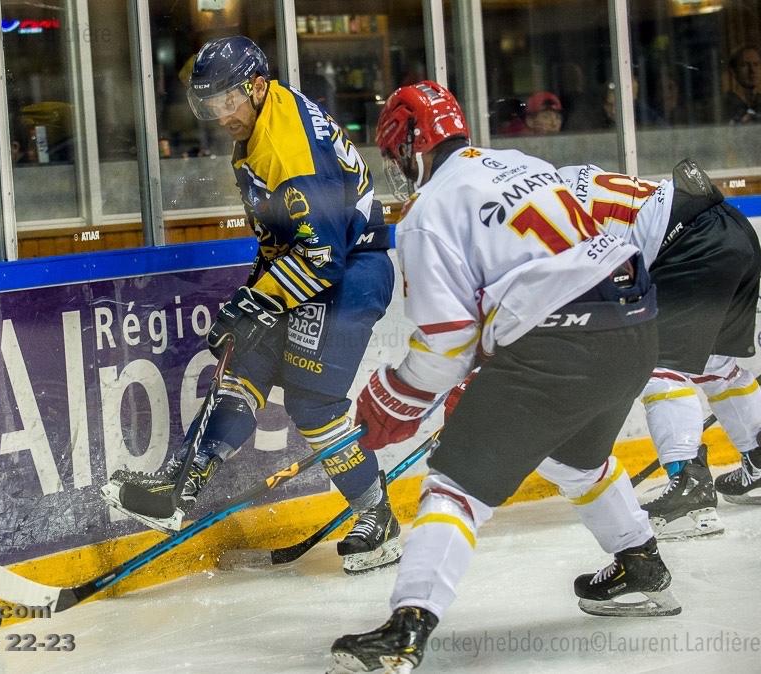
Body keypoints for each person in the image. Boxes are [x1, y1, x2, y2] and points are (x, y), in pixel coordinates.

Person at [329, 81, 675, 673]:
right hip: (635, 320)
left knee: (455, 483)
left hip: (562, 340)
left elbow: (444, 346)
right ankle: (641, 564)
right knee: (573, 457)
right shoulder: (521, 163)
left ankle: (405, 629)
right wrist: (492, 368)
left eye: (396, 154)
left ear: (411, 147)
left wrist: (394, 398)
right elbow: (543, 268)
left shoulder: (428, 213)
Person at [101, 36, 399, 574]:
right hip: (316, 266)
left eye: (229, 100)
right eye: (211, 104)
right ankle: (180, 483)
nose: (221, 114)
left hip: (353, 272)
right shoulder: (258, 128)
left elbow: (322, 256)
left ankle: (377, 515)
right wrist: (250, 303)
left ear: (258, 86)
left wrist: (254, 301)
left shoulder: (288, 149)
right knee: (245, 363)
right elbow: (280, 242)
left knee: (313, 404)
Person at [557, 161, 761, 531]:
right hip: (735, 230)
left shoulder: (542, 225)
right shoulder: (562, 180)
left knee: (655, 366)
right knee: (715, 364)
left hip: (693, 242)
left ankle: (691, 491)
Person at [724, 45, 761, 124]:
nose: (752, 70)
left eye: (756, 64)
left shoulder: (759, 101)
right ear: (733, 71)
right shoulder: (723, 104)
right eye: (745, 65)